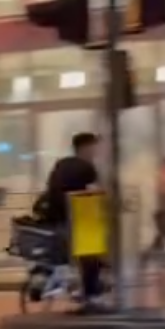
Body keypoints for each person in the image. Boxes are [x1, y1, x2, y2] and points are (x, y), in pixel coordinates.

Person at [37, 132, 107, 313]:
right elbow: (96, 192)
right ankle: (89, 297)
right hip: (75, 220)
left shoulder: (62, 163)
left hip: (56, 219)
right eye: (93, 147)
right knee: (91, 257)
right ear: (85, 148)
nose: (96, 151)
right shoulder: (86, 167)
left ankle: (81, 289)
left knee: (82, 258)